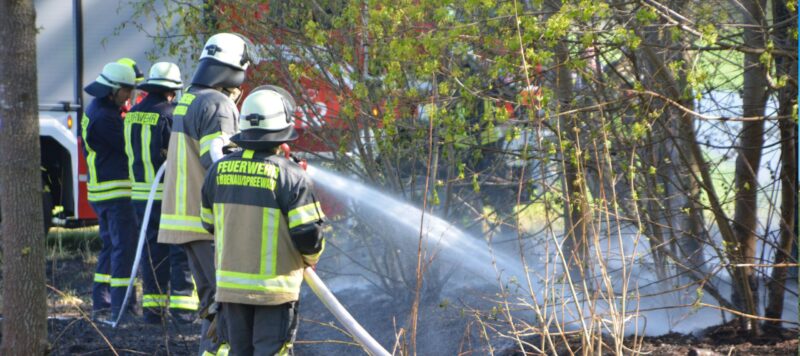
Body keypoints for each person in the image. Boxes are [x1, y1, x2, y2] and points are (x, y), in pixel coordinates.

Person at [200, 85, 325, 355]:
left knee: (237, 350)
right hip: (274, 291)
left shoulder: (217, 170)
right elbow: (308, 235)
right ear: (281, 134)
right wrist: (311, 258)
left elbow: (208, 222)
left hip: (230, 289)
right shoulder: (291, 175)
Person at [158, 32, 254, 355]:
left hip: (186, 221)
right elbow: (222, 165)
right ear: (234, 70)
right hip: (208, 222)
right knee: (230, 308)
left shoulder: (190, 98)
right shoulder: (218, 104)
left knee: (214, 307)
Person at [124, 62, 199, 324]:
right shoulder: (171, 115)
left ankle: (153, 312)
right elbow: (176, 156)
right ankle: (183, 310)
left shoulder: (132, 113)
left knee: (151, 252)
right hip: (167, 195)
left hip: (140, 196)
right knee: (179, 249)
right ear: (172, 91)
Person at [81, 62, 139, 322]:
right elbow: (129, 148)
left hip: (100, 191)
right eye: (127, 91)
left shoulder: (97, 108)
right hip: (115, 193)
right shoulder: (107, 118)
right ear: (113, 90)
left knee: (109, 247)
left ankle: (102, 301)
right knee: (123, 249)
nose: (129, 97)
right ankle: (122, 307)